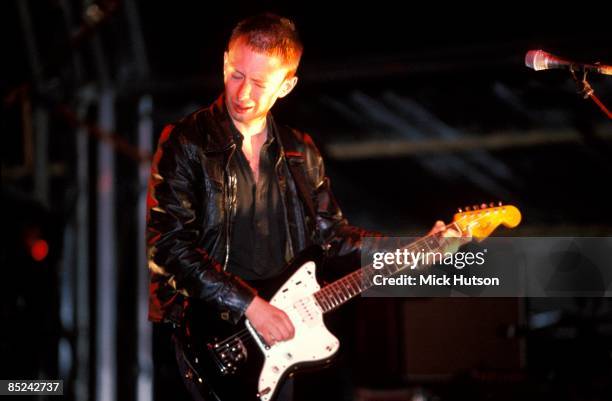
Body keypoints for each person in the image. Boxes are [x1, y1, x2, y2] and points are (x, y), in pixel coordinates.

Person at [146, 13, 462, 401]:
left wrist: (414, 248)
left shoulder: (301, 153)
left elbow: (335, 239)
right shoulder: (186, 142)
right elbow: (169, 247)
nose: (243, 94)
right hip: (204, 338)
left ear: (287, 85)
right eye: (236, 75)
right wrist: (251, 305)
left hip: (280, 343)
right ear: (224, 62)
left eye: (260, 83)